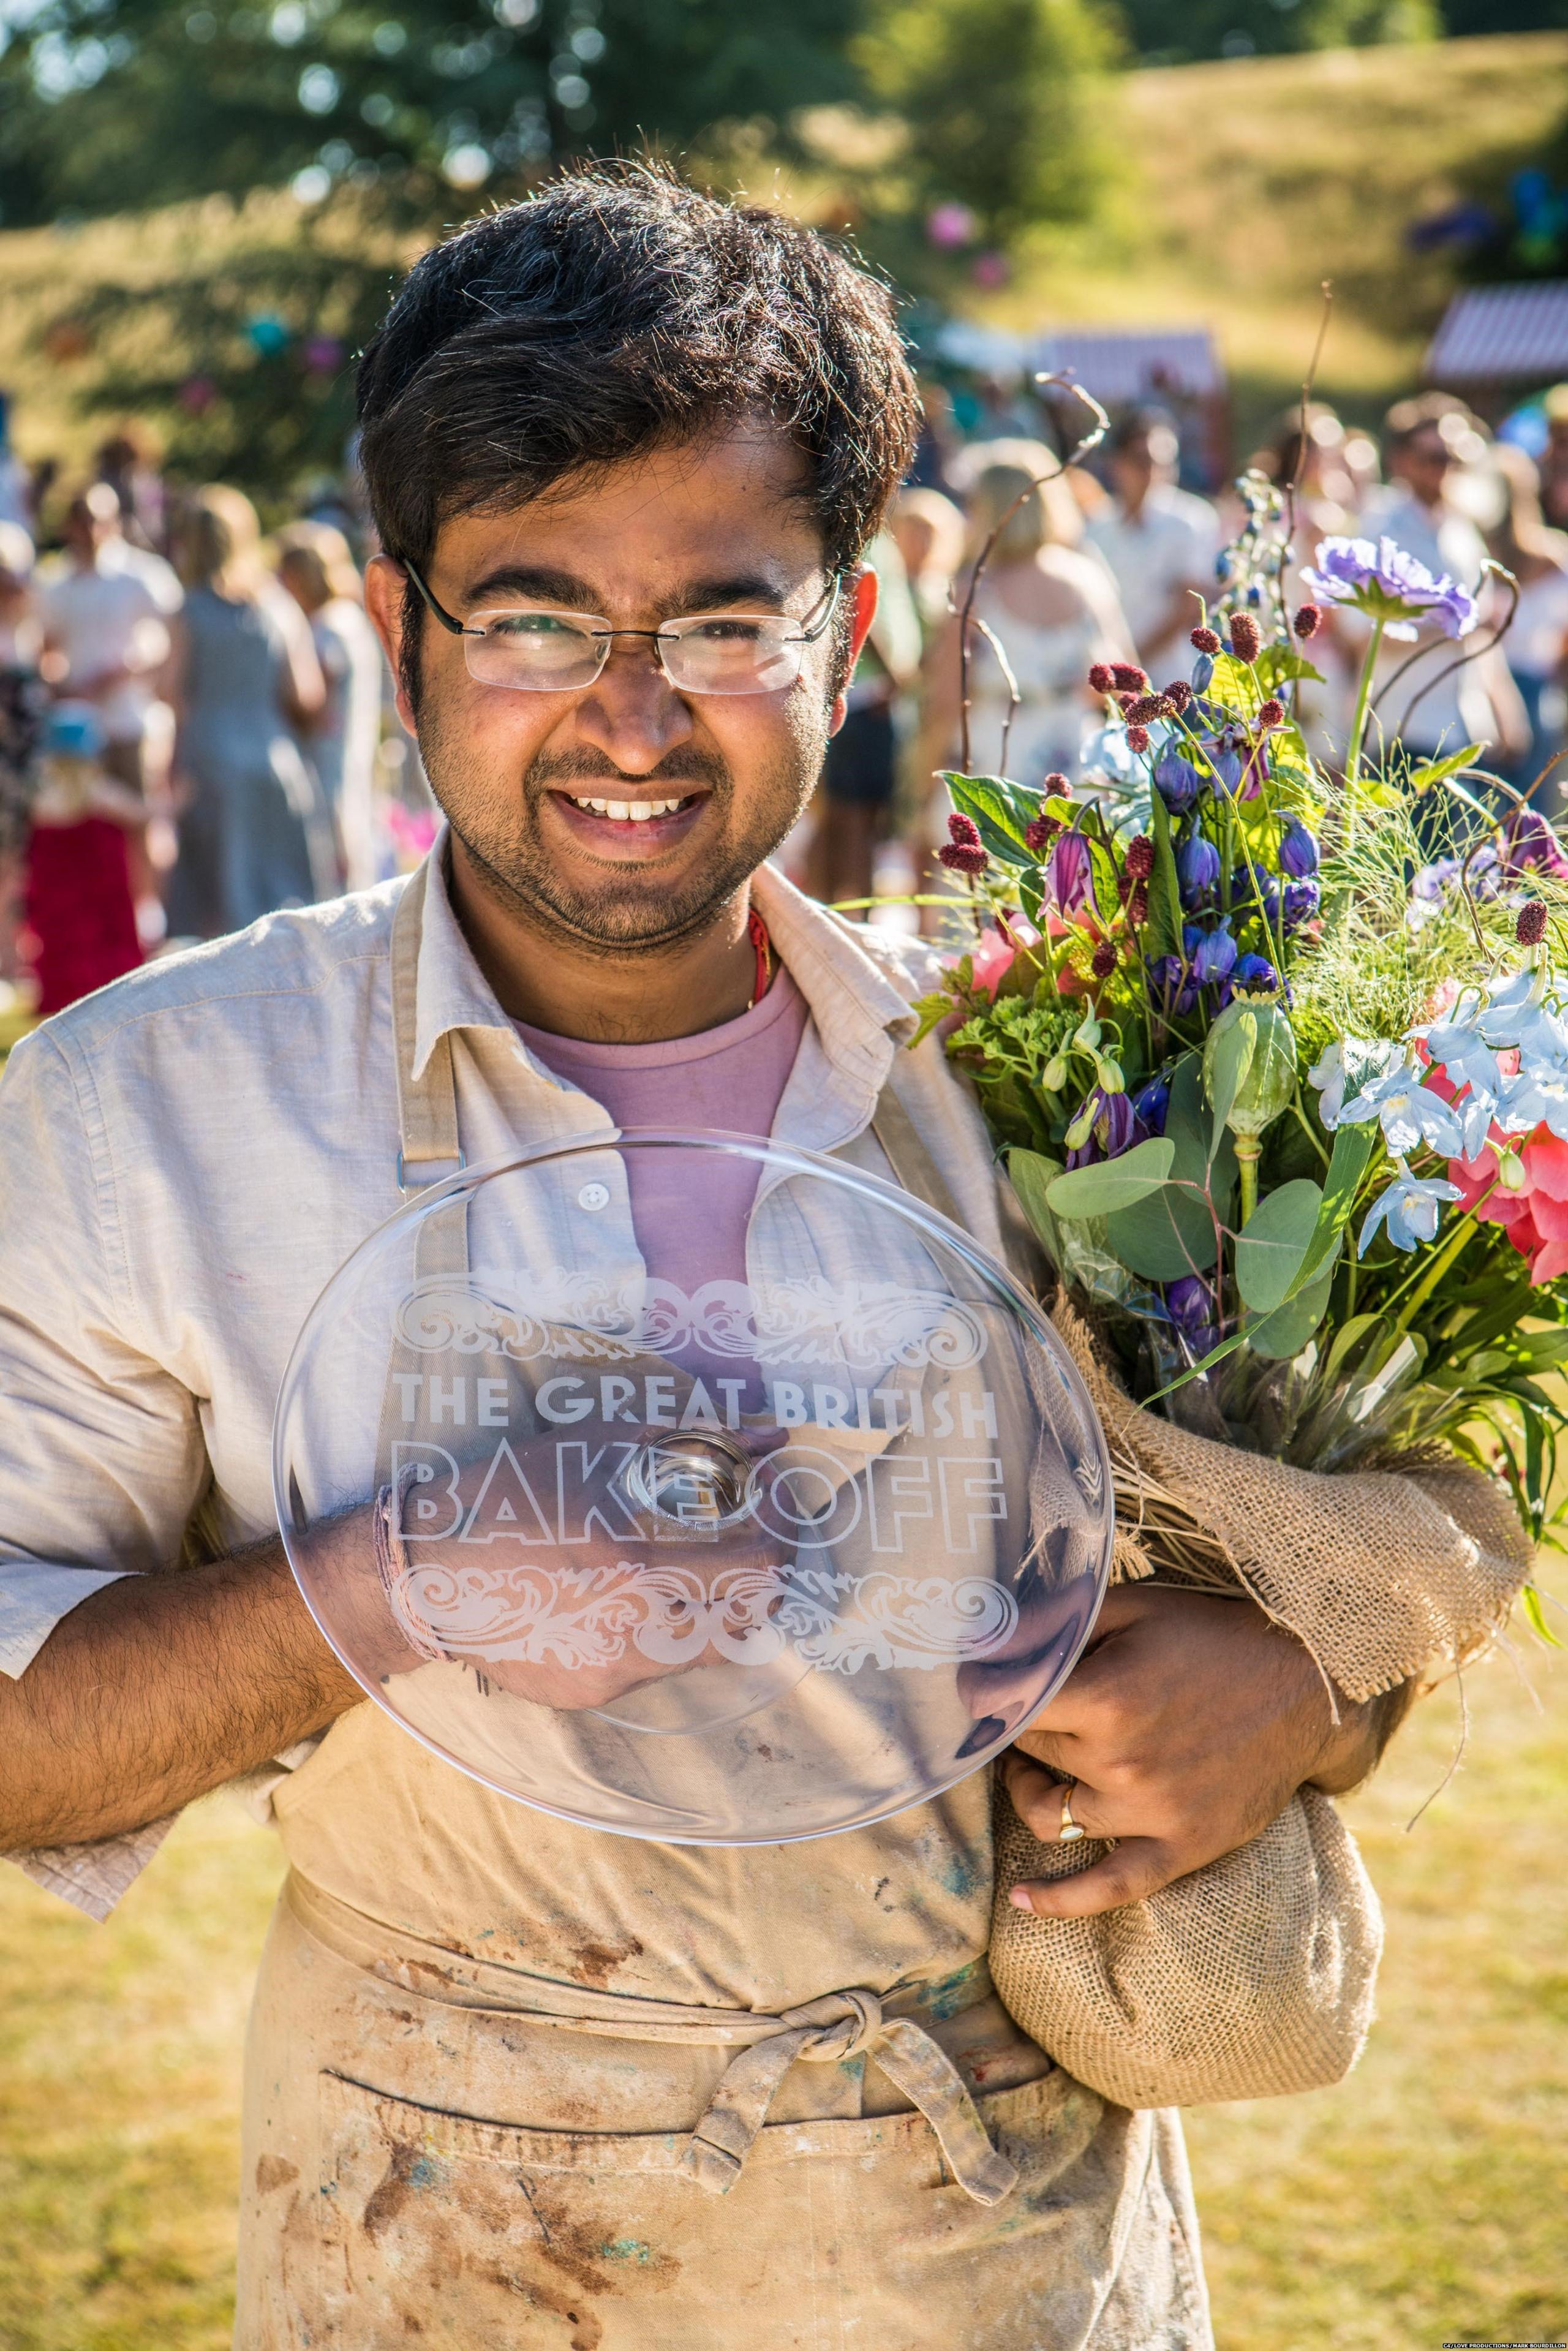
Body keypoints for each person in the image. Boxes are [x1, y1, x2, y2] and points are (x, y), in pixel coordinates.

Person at [0, 170, 1414, 2350]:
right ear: (399, 633)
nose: (632, 713)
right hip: (429, 2235)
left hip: (998, 2253)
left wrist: (1309, 1695)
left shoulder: (1070, 1086)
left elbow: (1355, 1527)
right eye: (533, 615)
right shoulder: (144, 1109)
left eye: (726, 620)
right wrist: (394, 1580)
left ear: (844, 635)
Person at [164, 485, 333, 939]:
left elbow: (170, 692)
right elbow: (306, 694)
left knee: (219, 912)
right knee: (280, 899)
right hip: (273, 759)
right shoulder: (277, 607)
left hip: (211, 762)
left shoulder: (189, 611)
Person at [923, 443, 1137, 790]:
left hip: (996, 767)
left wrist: (922, 787)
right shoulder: (1086, 577)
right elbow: (1127, 682)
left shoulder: (974, 590)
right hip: (1079, 763)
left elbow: (946, 702)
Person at [1359, 394, 1529, 776]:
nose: (1446, 469)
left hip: (1465, 729)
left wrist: (1505, 708)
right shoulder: (1381, 532)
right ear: (1400, 461)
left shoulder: (1462, 531)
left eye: (1455, 459)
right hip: (1404, 729)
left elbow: (1483, 628)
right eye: (1434, 458)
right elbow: (1363, 636)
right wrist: (1452, 625)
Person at [34, 481, 182, 799]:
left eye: (98, 521)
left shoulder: (144, 575)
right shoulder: (56, 583)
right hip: (78, 728)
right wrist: (62, 687)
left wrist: (125, 671)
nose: (91, 531)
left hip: (132, 718)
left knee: (139, 812)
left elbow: (175, 638)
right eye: (83, 521)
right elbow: (48, 648)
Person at [804, 523, 922, 908]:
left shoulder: (873, 531)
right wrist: (892, 675)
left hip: (864, 696)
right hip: (866, 697)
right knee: (856, 820)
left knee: (842, 819)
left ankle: (829, 914)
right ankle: (850, 920)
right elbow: (855, 600)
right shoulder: (861, 529)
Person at [276, 520, 386, 891]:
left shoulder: (327, 627)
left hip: (330, 741)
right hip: (353, 737)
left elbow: (315, 697)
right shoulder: (350, 617)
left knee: (336, 826)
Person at [20, 701, 144, 1016]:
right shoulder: (98, 793)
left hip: (58, 903)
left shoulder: (41, 798)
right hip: (100, 900)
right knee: (106, 957)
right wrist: (172, 806)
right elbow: (139, 815)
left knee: (61, 950)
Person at [1084, 407, 1219, 674]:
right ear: (1116, 463)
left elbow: (1189, 605)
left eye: (1164, 462)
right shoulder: (1097, 526)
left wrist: (1130, 664)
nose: (1152, 472)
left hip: (1174, 682)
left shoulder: (1191, 520)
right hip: (1112, 682)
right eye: (1141, 461)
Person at [1487, 441, 1568, 801]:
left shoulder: (1549, 557)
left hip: (1526, 689)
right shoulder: (1468, 548)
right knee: (1522, 811)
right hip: (1499, 690)